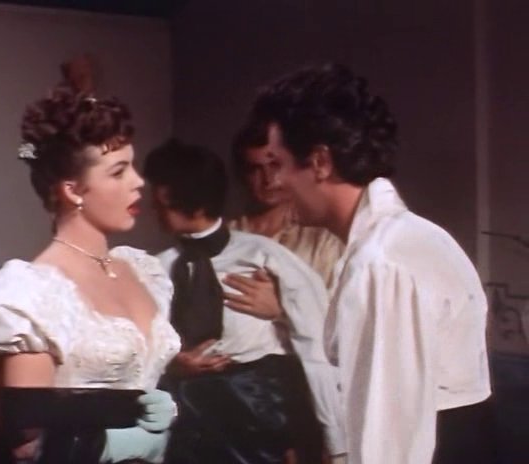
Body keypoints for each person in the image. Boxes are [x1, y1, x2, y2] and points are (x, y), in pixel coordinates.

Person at [237, 63, 492, 464]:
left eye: (279, 163)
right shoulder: (403, 238)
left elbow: (390, 439)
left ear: (320, 162)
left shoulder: (382, 263)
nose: (275, 182)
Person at [0, 86, 181, 463]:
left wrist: (167, 411)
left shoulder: (142, 270)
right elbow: (26, 440)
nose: (138, 181)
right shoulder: (30, 290)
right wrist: (111, 439)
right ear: (73, 190)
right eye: (118, 171)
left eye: (132, 166)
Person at [143, 139, 346, 464]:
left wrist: (335, 440)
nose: (151, 205)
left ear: (176, 197)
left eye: (158, 196)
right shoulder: (156, 269)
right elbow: (142, 348)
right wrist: (172, 365)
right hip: (187, 418)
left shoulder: (265, 256)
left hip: (259, 414)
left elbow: (315, 347)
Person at [229, 122, 343, 288]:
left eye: (275, 165)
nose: (268, 179)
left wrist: (283, 301)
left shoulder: (322, 239)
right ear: (242, 174)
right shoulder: (227, 236)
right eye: (255, 169)